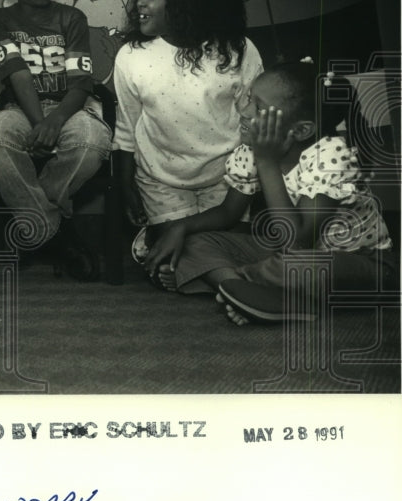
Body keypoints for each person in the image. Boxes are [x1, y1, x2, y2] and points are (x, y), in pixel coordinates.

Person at [144, 60, 396, 323]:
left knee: (307, 268)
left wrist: (267, 161)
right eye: (249, 99)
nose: (243, 110)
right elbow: (228, 213)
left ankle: (233, 285)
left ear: (300, 130)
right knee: (196, 242)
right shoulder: (250, 150)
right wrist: (179, 228)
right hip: (282, 255)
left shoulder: (331, 155)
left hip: (358, 263)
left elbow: (298, 243)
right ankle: (254, 295)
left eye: (258, 107)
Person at [112, 0, 264, 282]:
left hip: (227, 180)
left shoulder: (239, 50)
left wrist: (242, 188)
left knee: (213, 248)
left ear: (186, 2)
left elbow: (254, 127)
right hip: (162, 180)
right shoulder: (131, 56)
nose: (140, 2)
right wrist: (126, 187)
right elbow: (126, 129)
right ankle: (228, 283)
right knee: (190, 248)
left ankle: (193, 268)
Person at [0, 0, 112, 278]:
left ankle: (32, 226)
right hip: (20, 110)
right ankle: (57, 231)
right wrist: (42, 121)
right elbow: (18, 74)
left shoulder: (72, 18)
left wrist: (56, 120)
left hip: (70, 108)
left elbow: (81, 82)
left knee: (91, 142)